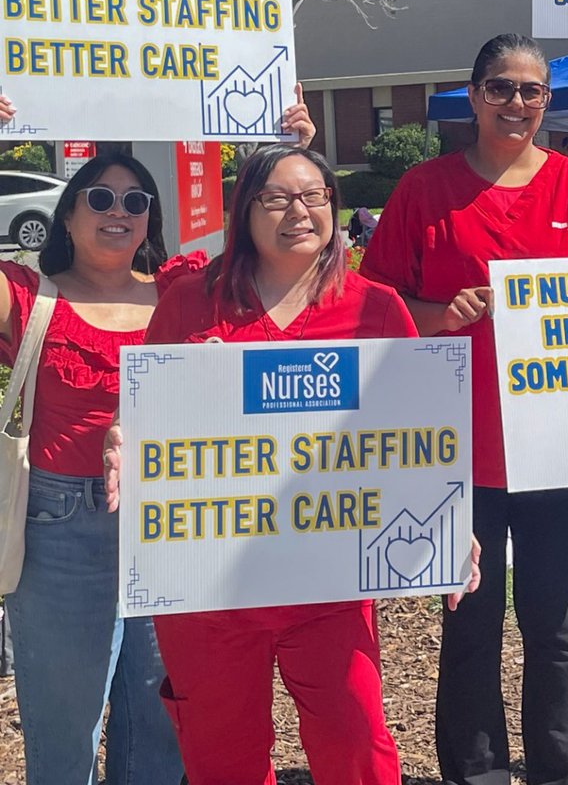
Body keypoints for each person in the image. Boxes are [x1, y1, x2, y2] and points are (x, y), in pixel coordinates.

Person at [0, 90, 312, 785]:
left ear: (152, 220)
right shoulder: (27, 295)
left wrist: (286, 153)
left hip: (176, 523)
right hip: (62, 530)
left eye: (135, 202)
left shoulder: (184, 290)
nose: (118, 212)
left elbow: (283, 250)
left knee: (166, 727)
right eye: (100, 199)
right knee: (64, 731)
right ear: (69, 213)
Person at [103, 144, 434, 785]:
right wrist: (123, 438)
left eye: (314, 197)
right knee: (222, 759)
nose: (298, 212)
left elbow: (414, 440)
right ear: (244, 210)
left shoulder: (376, 309)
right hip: (209, 586)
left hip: (330, 580)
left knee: (357, 747)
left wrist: (451, 525)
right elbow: (146, 419)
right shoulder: (187, 305)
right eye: (277, 198)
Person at [360, 33, 568, 785]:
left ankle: (561, 772)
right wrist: (437, 312)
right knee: (469, 624)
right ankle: (475, 773)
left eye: (532, 91)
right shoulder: (425, 190)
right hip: (458, 450)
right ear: (474, 94)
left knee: (553, 626)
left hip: (559, 450)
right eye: (502, 88)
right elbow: (372, 308)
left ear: (548, 100)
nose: (518, 103)